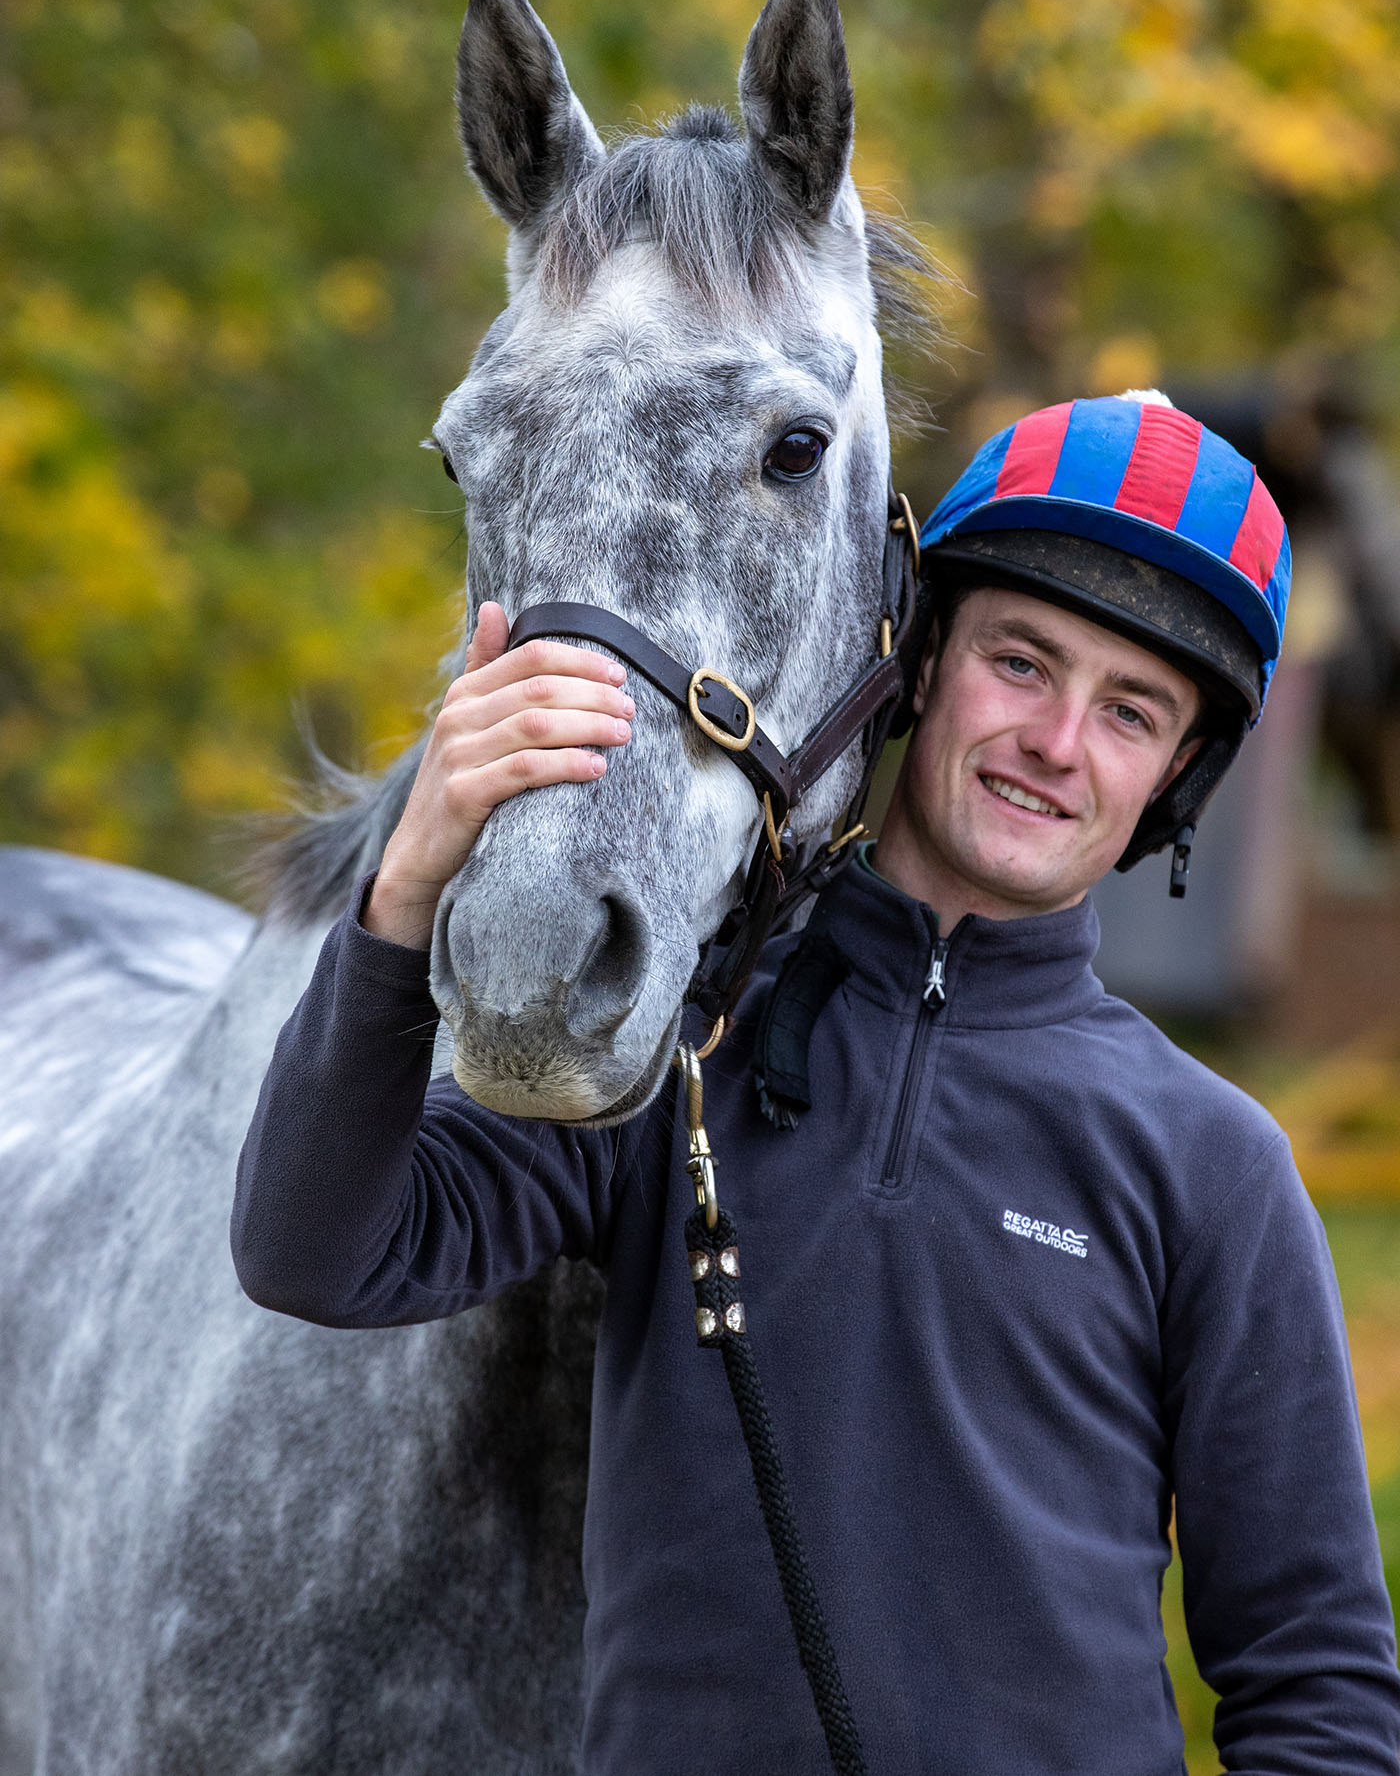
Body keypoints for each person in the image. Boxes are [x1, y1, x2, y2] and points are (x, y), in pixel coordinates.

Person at [232, 391, 1400, 1773]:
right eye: (1021, 663)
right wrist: (408, 885)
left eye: (1131, 710)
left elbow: (1317, 1684)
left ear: (1178, 782)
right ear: (916, 661)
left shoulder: (1211, 1162)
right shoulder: (675, 1035)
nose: (1058, 743)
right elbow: (322, 1253)